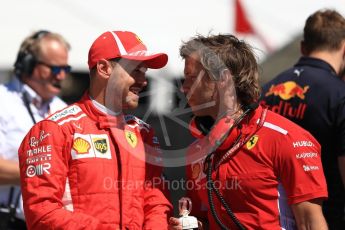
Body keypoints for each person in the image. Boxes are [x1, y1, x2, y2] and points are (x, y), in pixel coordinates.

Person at [169, 34, 328, 230]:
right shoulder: (198, 150)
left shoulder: (286, 138)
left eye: (191, 78)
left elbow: (310, 222)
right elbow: (205, 219)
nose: (184, 88)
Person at [17, 30, 173, 229]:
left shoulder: (143, 134)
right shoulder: (55, 130)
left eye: (145, 72)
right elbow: (42, 212)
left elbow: (156, 201)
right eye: (135, 71)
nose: (143, 81)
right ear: (104, 68)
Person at [261, 9, 345, 229]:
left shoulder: (266, 90)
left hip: (272, 217)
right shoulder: (339, 95)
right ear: (343, 47)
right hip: (325, 219)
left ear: (302, 47)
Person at [0, 30, 71, 229]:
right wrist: (43, 172)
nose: (62, 76)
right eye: (55, 69)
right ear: (28, 64)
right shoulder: (2, 101)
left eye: (66, 68)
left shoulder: (64, 110)